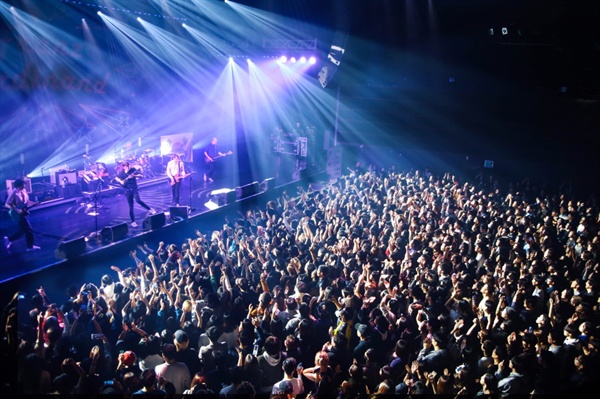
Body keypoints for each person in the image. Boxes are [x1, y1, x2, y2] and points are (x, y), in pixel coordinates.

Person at [114, 161, 155, 228]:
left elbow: (141, 175)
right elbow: (116, 178)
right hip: (127, 190)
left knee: (138, 200)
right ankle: (133, 222)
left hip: (134, 188)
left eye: (127, 166)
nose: (127, 167)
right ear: (123, 167)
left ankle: (150, 209)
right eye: (125, 166)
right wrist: (121, 181)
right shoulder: (122, 172)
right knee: (131, 206)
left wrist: (134, 176)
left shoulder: (133, 170)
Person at [4, 178, 40, 251]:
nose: (24, 187)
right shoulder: (14, 193)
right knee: (28, 229)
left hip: (23, 212)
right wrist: (17, 210)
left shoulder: (23, 190)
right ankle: (30, 246)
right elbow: (7, 204)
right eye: (22, 185)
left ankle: (9, 239)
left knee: (23, 230)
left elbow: (27, 201)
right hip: (16, 214)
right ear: (18, 185)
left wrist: (34, 203)